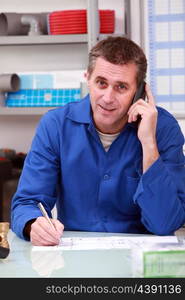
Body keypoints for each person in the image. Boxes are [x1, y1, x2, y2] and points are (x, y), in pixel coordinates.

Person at [11, 36, 185, 246]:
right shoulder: (55, 125)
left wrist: (149, 145)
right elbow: (27, 202)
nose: (108, 98)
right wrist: (34, 225)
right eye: (101, 83)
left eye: (121, 87)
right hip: (73, 257)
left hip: (139, 261)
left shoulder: (163, 129)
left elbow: (165, 223)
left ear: (139, 91)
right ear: (88, 78)